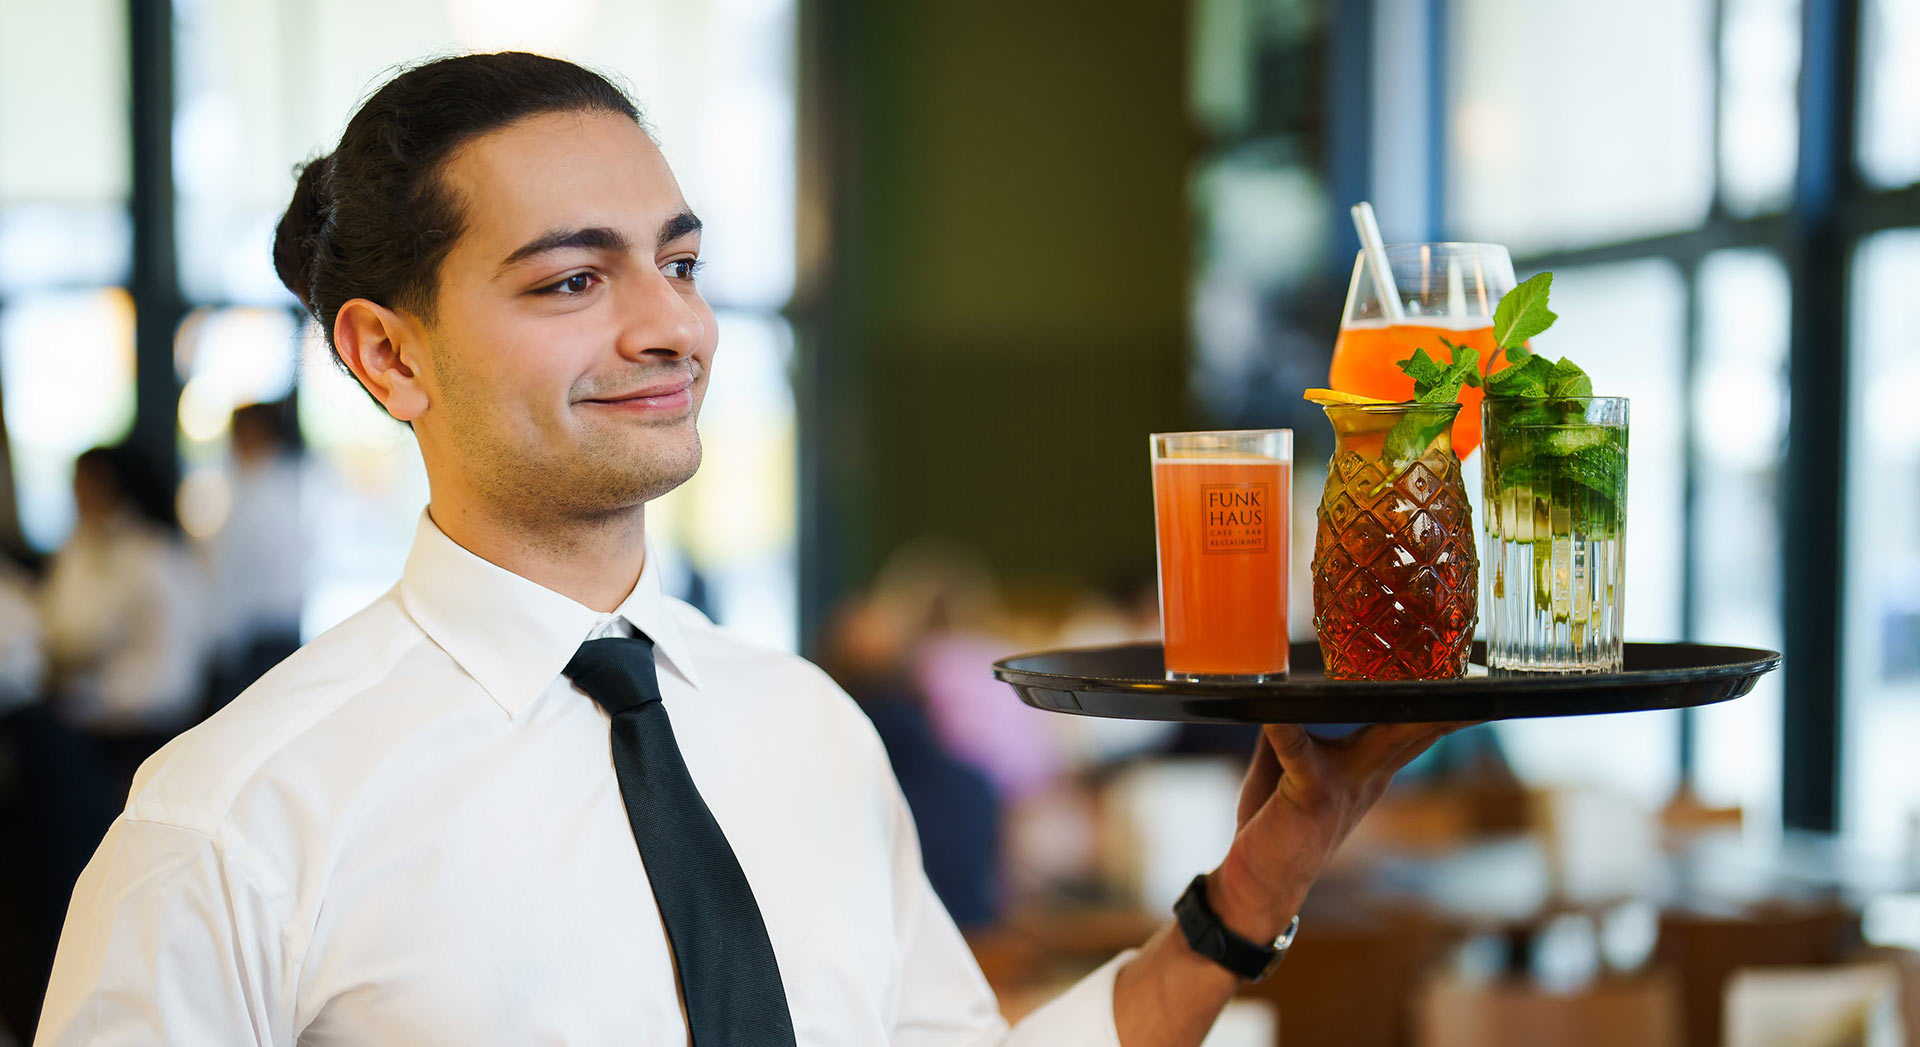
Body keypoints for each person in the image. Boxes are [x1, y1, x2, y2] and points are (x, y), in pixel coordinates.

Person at [37, 53, 1463, 1046]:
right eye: (575, 278)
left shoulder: (812, 734)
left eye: (683, 260)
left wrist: (1259, 885)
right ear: (389, 355)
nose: (673, 326)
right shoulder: (230, 819)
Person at [38, 444, 209, 789]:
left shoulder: (151, 555)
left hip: (143, 726)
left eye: (86, 483)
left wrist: (91, 698)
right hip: (97, 714)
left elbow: (170, 672)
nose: (77, 494)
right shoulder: (81, 547)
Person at [205, 399, 308, 710]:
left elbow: (238, 572)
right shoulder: (247, 487)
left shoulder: (275, 491)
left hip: (264, 636)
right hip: (258, 634)